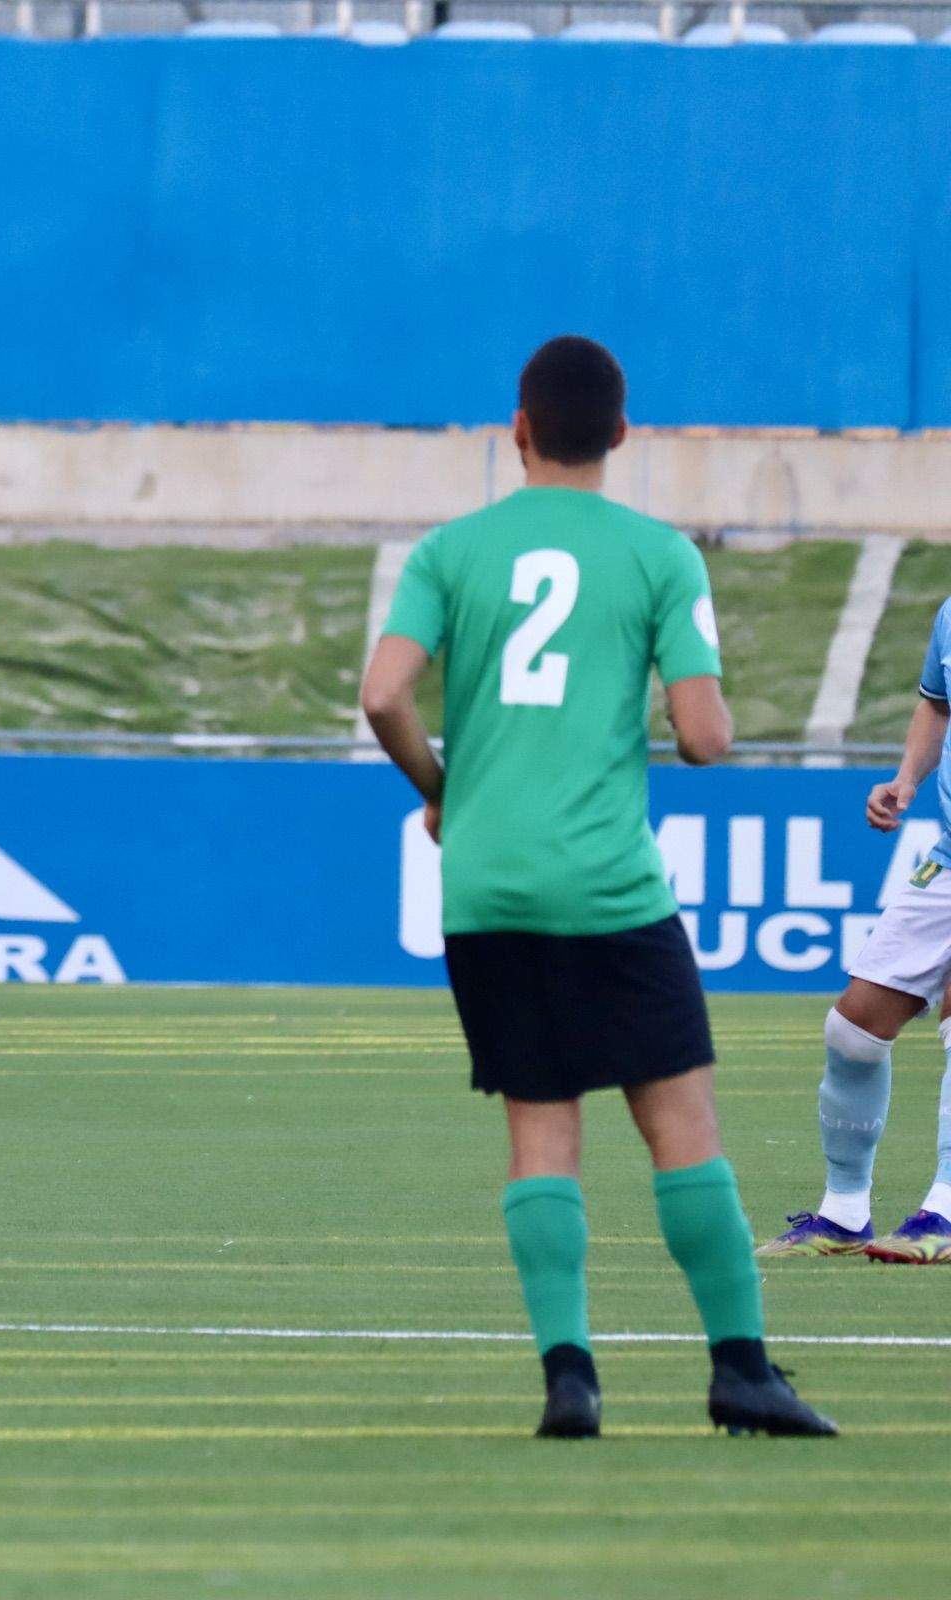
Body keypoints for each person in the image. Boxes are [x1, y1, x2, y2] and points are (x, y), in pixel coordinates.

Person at [360, 335, 835, 1439]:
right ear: (621, 434)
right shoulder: (661, 554)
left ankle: (569, 1378)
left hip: (485, 890)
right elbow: (708, 739)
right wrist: (678, 705)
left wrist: (446, 788)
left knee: (541, 1132)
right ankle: (741, 1370)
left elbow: (385, 692)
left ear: (517, 429)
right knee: (681, 1124)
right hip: (610, 884)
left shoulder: (451, 549)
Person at [758, 613, 951, 1264]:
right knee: (854, 1030)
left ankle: (946, 1211)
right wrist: (906, 780)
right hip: (947, 860)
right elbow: (936, 706)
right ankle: (844, 1212)